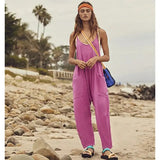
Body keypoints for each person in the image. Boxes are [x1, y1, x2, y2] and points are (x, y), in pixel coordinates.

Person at [68, 1, 118, 159]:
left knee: (102, 111)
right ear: (78, 14)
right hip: (80, 76)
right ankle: (88, 147)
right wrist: (77, 62)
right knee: (81, 112)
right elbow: (70, 58)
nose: (84, 13)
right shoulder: (74, 34)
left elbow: (107, 56)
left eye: (87, 11)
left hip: (97, 75)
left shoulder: (101, 32)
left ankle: (107, 148)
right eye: (81, 11)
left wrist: (96, 58)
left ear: (91, 13)